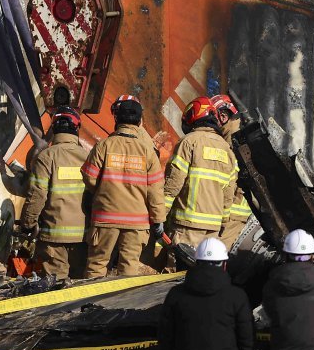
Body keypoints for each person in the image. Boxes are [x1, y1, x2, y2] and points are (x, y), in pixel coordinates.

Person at [159, 238, 256, 350]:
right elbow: (246, 339)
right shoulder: (237, 296)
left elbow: (166, 337)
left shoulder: (176, 295)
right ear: (224, 265)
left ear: (196, 263)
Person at [81, 95, 166, 277]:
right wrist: (158, 219)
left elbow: (89, 177)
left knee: (97, 265)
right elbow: (156, 190)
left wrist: (104, 192)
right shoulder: (148, 152)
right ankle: (121, 306)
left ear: (117, 118)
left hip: (105, 217)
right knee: (129, 269)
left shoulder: (103, 146)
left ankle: (88, 304)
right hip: (137, 222)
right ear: (139, 120)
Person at [163, 97, 238, 257]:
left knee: (178, 275)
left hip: (187, 225)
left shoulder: (189, 142)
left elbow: (173, 183)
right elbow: (228, 193)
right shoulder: (226, 149)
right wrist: (223, 222)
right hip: (213, 229)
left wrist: (160, 215)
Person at [19, 107, 88, 278]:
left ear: (54, 128)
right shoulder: (89, 157)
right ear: (76, 128)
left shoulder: (46, 157)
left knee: (57, 291)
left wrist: (27, 225)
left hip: (54, 237)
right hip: (83, 237)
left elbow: (37, 195)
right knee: (80, 287)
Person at [210, 94, 251, 245]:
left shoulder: (232, 142)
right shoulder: (236, 136)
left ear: (223, 117)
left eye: (211, 117)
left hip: (233, 216)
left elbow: (231, 181)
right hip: (235, 214)